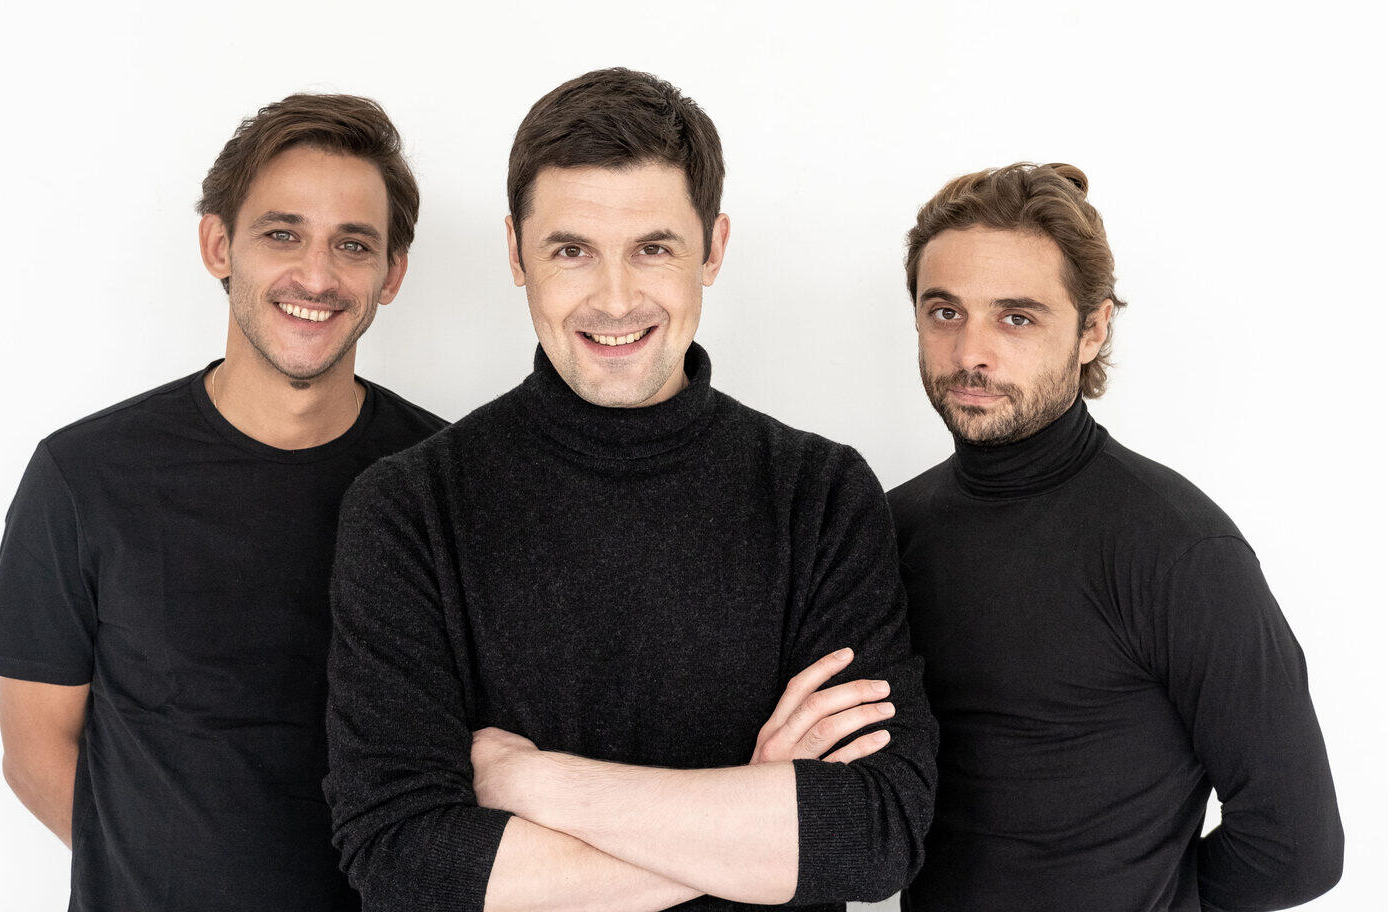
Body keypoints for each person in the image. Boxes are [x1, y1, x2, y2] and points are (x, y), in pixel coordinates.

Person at [325, 67, 938, 912]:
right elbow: (402, 859)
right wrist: (746, 813)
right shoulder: (409, 508)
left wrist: (536, 782)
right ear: (516, 253)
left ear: (713, 249)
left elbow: (873, 834)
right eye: (571, 250)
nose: (614, 300)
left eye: (654, 248)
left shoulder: (821, 495)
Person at [0, 94, 446, 911]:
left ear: (391, 273)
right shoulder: (85, 476)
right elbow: (35, 750)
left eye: (353, 244)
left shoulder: (446, 483)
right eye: (282, 234)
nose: (317, 276)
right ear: (218, 245)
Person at [889, 162, 1344, 911]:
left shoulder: (1180, 550)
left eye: (1016, 317)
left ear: (1092, 329)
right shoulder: (890, 528)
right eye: (945, 312)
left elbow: (1297, 847)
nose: (970, 353)